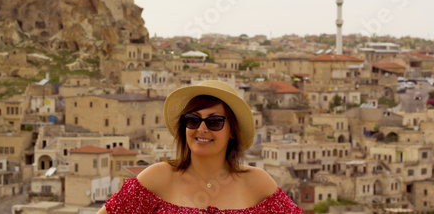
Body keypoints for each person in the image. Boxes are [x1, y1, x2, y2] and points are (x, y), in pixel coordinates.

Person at [97, 80, 302, 213]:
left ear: (232, 130)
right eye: (193, 120)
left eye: (214, 122)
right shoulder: (158, 178)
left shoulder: (257, 183)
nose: (201, 129)